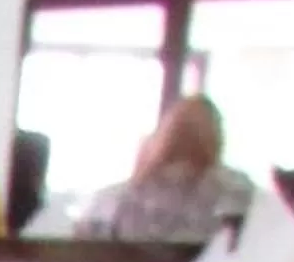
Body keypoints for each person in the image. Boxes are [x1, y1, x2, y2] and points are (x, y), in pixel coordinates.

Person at [79, 94, 255, 247]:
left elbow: (83, 248)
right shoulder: (237, 190)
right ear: (218, 136)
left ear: (165, 133)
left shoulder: (113, 199)